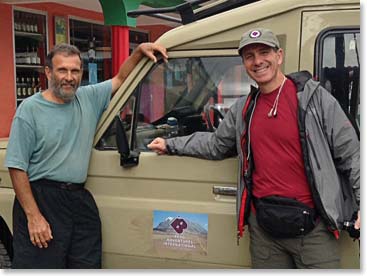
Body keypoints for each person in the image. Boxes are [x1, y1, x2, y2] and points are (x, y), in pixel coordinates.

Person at [148, 28, 360, 268]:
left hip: (313, 230)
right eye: (249, 56)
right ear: (244, 63)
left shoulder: (314, 100)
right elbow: (216, 144)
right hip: (265, 232)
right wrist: (171, 144)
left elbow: (352, 155)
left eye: (264, 52)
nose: (258, 61)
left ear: (279, 56)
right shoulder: (244, 109)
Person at [5, 42, 167, 269]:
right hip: (42, 197)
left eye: (75, 71)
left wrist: (138, 52)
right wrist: (34, 216)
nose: (69, 77)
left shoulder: (88, 97)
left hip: (78, 199)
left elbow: (121, 79)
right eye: (62, 70)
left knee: (86, 265)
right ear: (49, 72)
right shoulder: (30, 110)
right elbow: (16, 166)